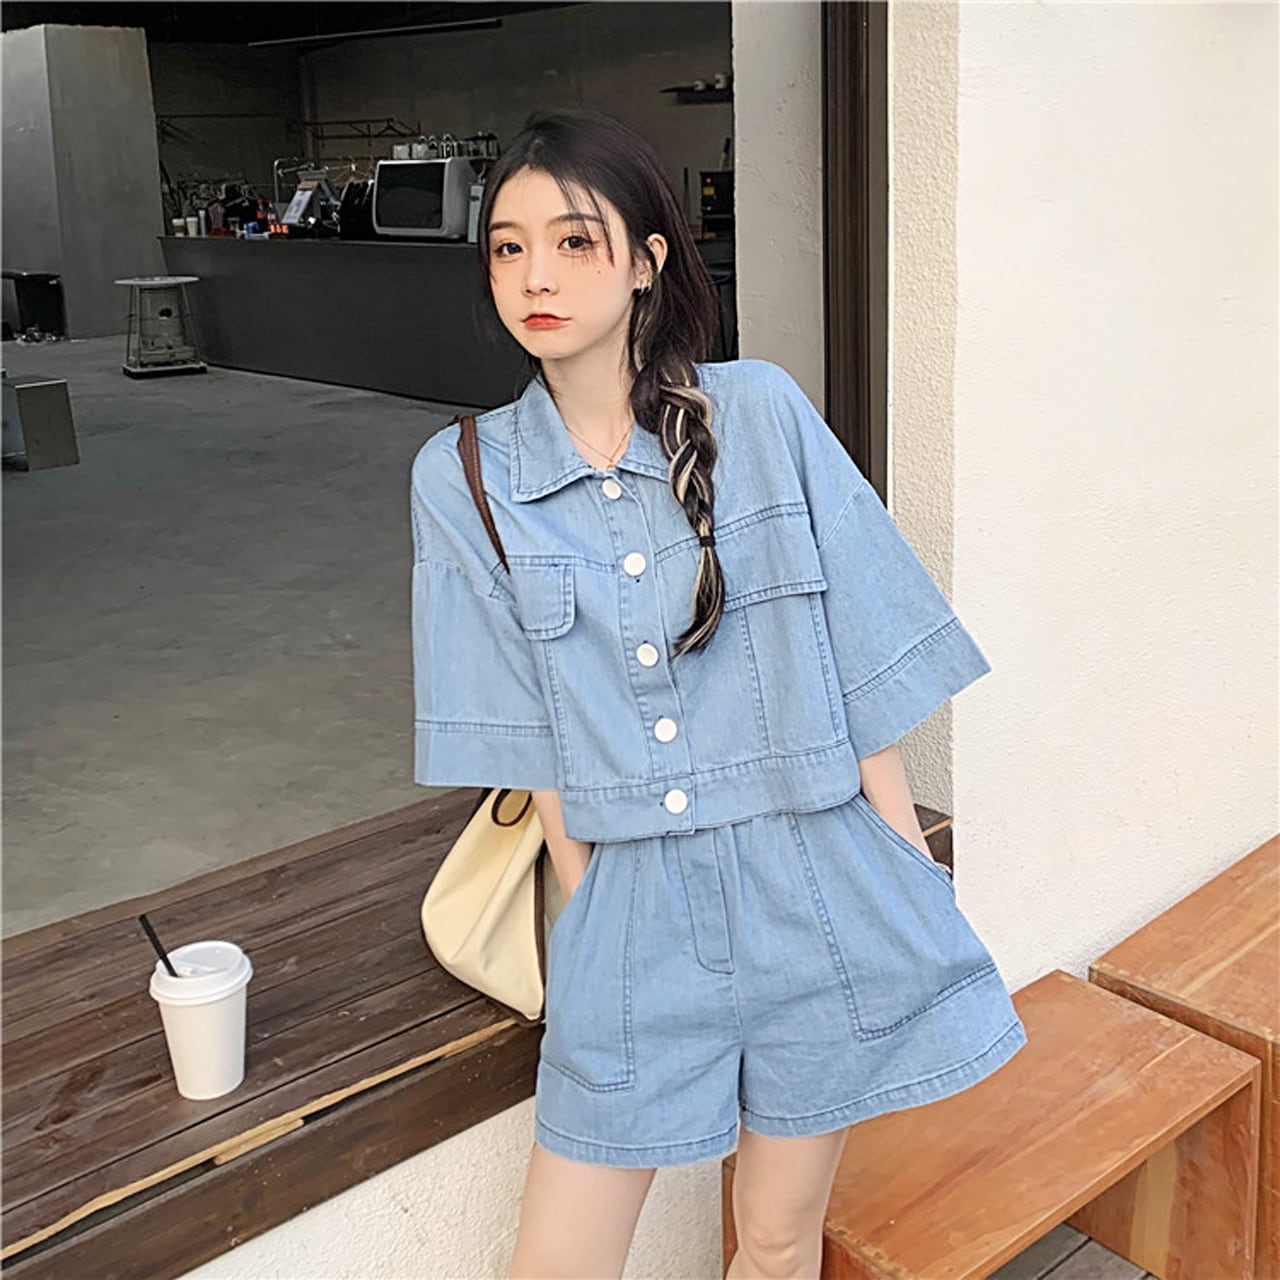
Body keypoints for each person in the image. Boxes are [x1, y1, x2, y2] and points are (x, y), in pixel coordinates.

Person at [410, 108, 1028, 1280]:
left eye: (574, 241)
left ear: (646, 261)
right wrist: (596, 910)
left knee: (778, 1237)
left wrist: (904, 870)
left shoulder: (762, 412)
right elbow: (528, 740)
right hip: (629, 907)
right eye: (507, 246)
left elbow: (856, 663)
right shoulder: (465, 477)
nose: (535, 276)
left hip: (816, 881)